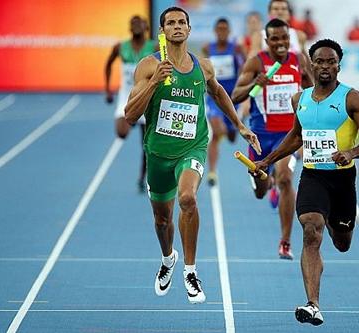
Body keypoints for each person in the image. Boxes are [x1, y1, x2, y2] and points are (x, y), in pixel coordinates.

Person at [124, 7, 261, 304]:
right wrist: (153, 83)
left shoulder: (204, 66)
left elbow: (218, 93)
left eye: (181, 22)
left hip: (192, 146)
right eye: (170, 22)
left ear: (188, 30)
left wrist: (238, 124)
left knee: (187, 199)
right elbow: (130, 115)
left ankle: (190, 270)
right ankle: (168, 259)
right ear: (162, 32)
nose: (176, 26)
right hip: (159, 153)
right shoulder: (149, 66)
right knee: (162, 221)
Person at [252, 39, 359, 326]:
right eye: (319, 61)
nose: (325, 66)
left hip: (342, 180)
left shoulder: (353, 98)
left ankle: (339, 225)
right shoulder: (300, 99)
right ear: (311, 64)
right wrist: (268, 160)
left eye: (330, 61)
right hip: (313, 176)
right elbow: (296, 137)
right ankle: (313, 304)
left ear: (338, 64)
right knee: (311, 229)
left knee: (342, 242)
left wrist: (351, 152)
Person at [231, 18, 312, 260]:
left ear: (290, 38)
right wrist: (255, 84)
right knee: (260, 190)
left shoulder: (298, 60)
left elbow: (313, 89)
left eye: (284, 38)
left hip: (288, 137)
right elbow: (234, 96)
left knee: (286, 178)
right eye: (275, 38)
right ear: (267, 41)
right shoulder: (257, 62)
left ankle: (285, 242)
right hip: (260, 139)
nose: (280, 43)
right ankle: (266, 183)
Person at [105, 15, 155, 192]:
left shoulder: (153, 47)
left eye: (139, 23)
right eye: (132, 23)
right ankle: (131, 121)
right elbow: (108, 64)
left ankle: (143, 177)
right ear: (129, 27)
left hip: (146, 97)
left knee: (146, 144)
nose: (136, 25)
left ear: (146, 27)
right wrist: (108, 89)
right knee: (121, 133)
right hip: (126, 96)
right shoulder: (120, 47)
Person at [202, 18, 245, 186]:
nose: (221, 32)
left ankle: (230, 129)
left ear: (229, 31)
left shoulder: (236, 48)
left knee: (232, 136)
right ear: (215, 31)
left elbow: (245, 68)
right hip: (214, 96)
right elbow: (204, 67)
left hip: (233, 97)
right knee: (216, 131)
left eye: (225, 29)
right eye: (219, 29)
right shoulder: (208, 48)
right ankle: (212, 172)